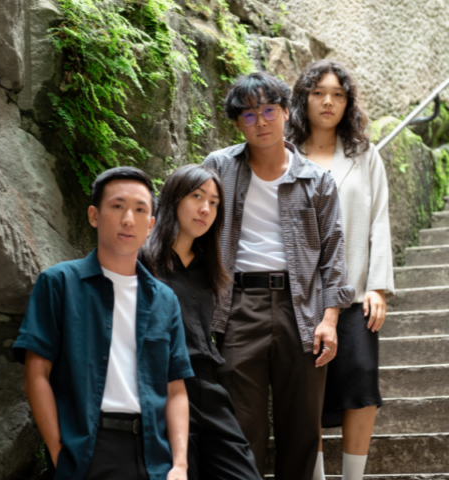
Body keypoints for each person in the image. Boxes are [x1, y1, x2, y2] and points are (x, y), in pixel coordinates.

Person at [202, 71, 355, 480]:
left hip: (301, 308)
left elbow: (333, 253)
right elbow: (193, 230)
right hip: (237, 307)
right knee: (240, 425)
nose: (261, 122)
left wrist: (330, 318)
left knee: (303, 427)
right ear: (237, 124)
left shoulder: (317, 179)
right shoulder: (218, 168)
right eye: (249, 116)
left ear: (286, 113)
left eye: (269, 110)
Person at [13, 166, 194, 480]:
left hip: (153, 455)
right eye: (117, 206)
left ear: (151, 225)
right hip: (87, 449)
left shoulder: (164, 299)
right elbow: (36, 373)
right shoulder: (59, 283)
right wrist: (60, 453)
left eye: (140, 210)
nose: (128, 219)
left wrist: (179, 465)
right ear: (94, 215)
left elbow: (175, 388)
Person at [287, 60, 395, 480]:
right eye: (318, 93)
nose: (328, 101)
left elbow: (379, 220)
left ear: (348, 102)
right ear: (304, 99)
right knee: (306, 393)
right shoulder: (285, 153)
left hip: (352, 294)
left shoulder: (364, 156)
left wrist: (378, 288)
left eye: (337, 94)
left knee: (362, 385)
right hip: (298, 296)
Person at [140, 164, 262, 480]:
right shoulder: (143, 262)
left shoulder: (209, 270)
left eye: (214, 202)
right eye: (197, 196)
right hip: (164, 384)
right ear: (173, 199)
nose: (205, 208)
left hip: (208, 385)